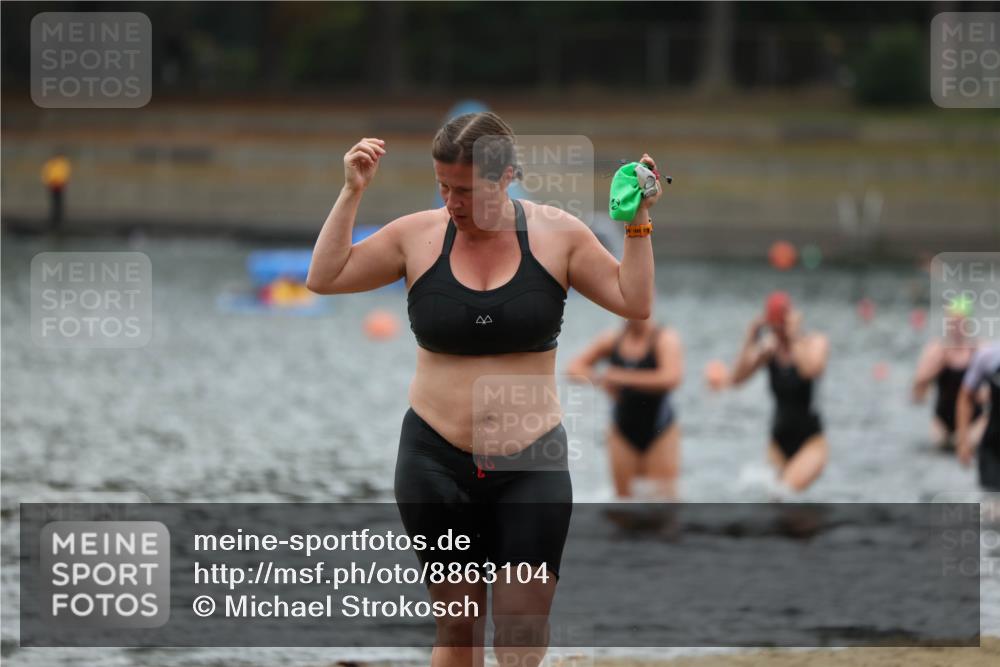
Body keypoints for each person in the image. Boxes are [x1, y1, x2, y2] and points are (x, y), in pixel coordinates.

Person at [306, 112, 662, 667]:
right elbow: (325, 276)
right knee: (459, 632)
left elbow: (633, 300)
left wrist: (638, 221)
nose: (452, 202)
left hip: (530, 461)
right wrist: (351, 192)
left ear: (507, 176)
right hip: (434, 460)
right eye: (443, 187)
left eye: (466, 190)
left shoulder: (559, 235)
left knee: (520, 633)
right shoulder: (415, 236)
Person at [722, 291, 829, 493]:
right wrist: (750, 338)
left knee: (785, 491)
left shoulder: (814, 342)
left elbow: (809, 370)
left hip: (811, 442)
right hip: (778, 442)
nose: (778, 334)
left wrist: (794, 335)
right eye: (774, 328)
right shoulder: (769, 350)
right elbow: (736, 379)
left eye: (781, 328)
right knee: (774, 500)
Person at [566, 313, 683, 499]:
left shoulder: (664, 338)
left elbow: (671, 378)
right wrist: (599, 378)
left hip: (660, 431)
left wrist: (620, 377)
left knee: (663, 502)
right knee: (623, 502)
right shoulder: (612, 340)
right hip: (622, 431)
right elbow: (573, 368)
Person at [912, 308, 986, 451]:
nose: (956, 328)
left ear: (968, 325)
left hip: (973, 420)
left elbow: (990, 395)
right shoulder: (936, 350)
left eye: (960, 323)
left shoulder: (980, 351)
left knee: (967, 442)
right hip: (942, 421)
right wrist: (935, 367)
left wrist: (980, 394)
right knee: (939, 445)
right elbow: (917, 393)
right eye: (953, 324)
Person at [957, 343, 1000, 491]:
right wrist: (963, 441)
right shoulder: (988, 357)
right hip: (993, 450)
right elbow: (965, 397)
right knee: (991, 509)